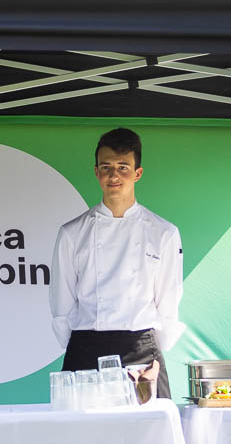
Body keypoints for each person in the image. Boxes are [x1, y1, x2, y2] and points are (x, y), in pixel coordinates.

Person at [49, 127, 184, 400]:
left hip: (141, 349)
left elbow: (168, 302)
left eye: (123, 167)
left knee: (149, 425)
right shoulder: (72, 233)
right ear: (96, 171)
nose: (114, 175)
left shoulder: (163, 233)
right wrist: (80, 343)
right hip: (86, 348)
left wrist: (154, 346)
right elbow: (61, 303)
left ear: (137, 173)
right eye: (106, 167)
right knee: (81, 425)